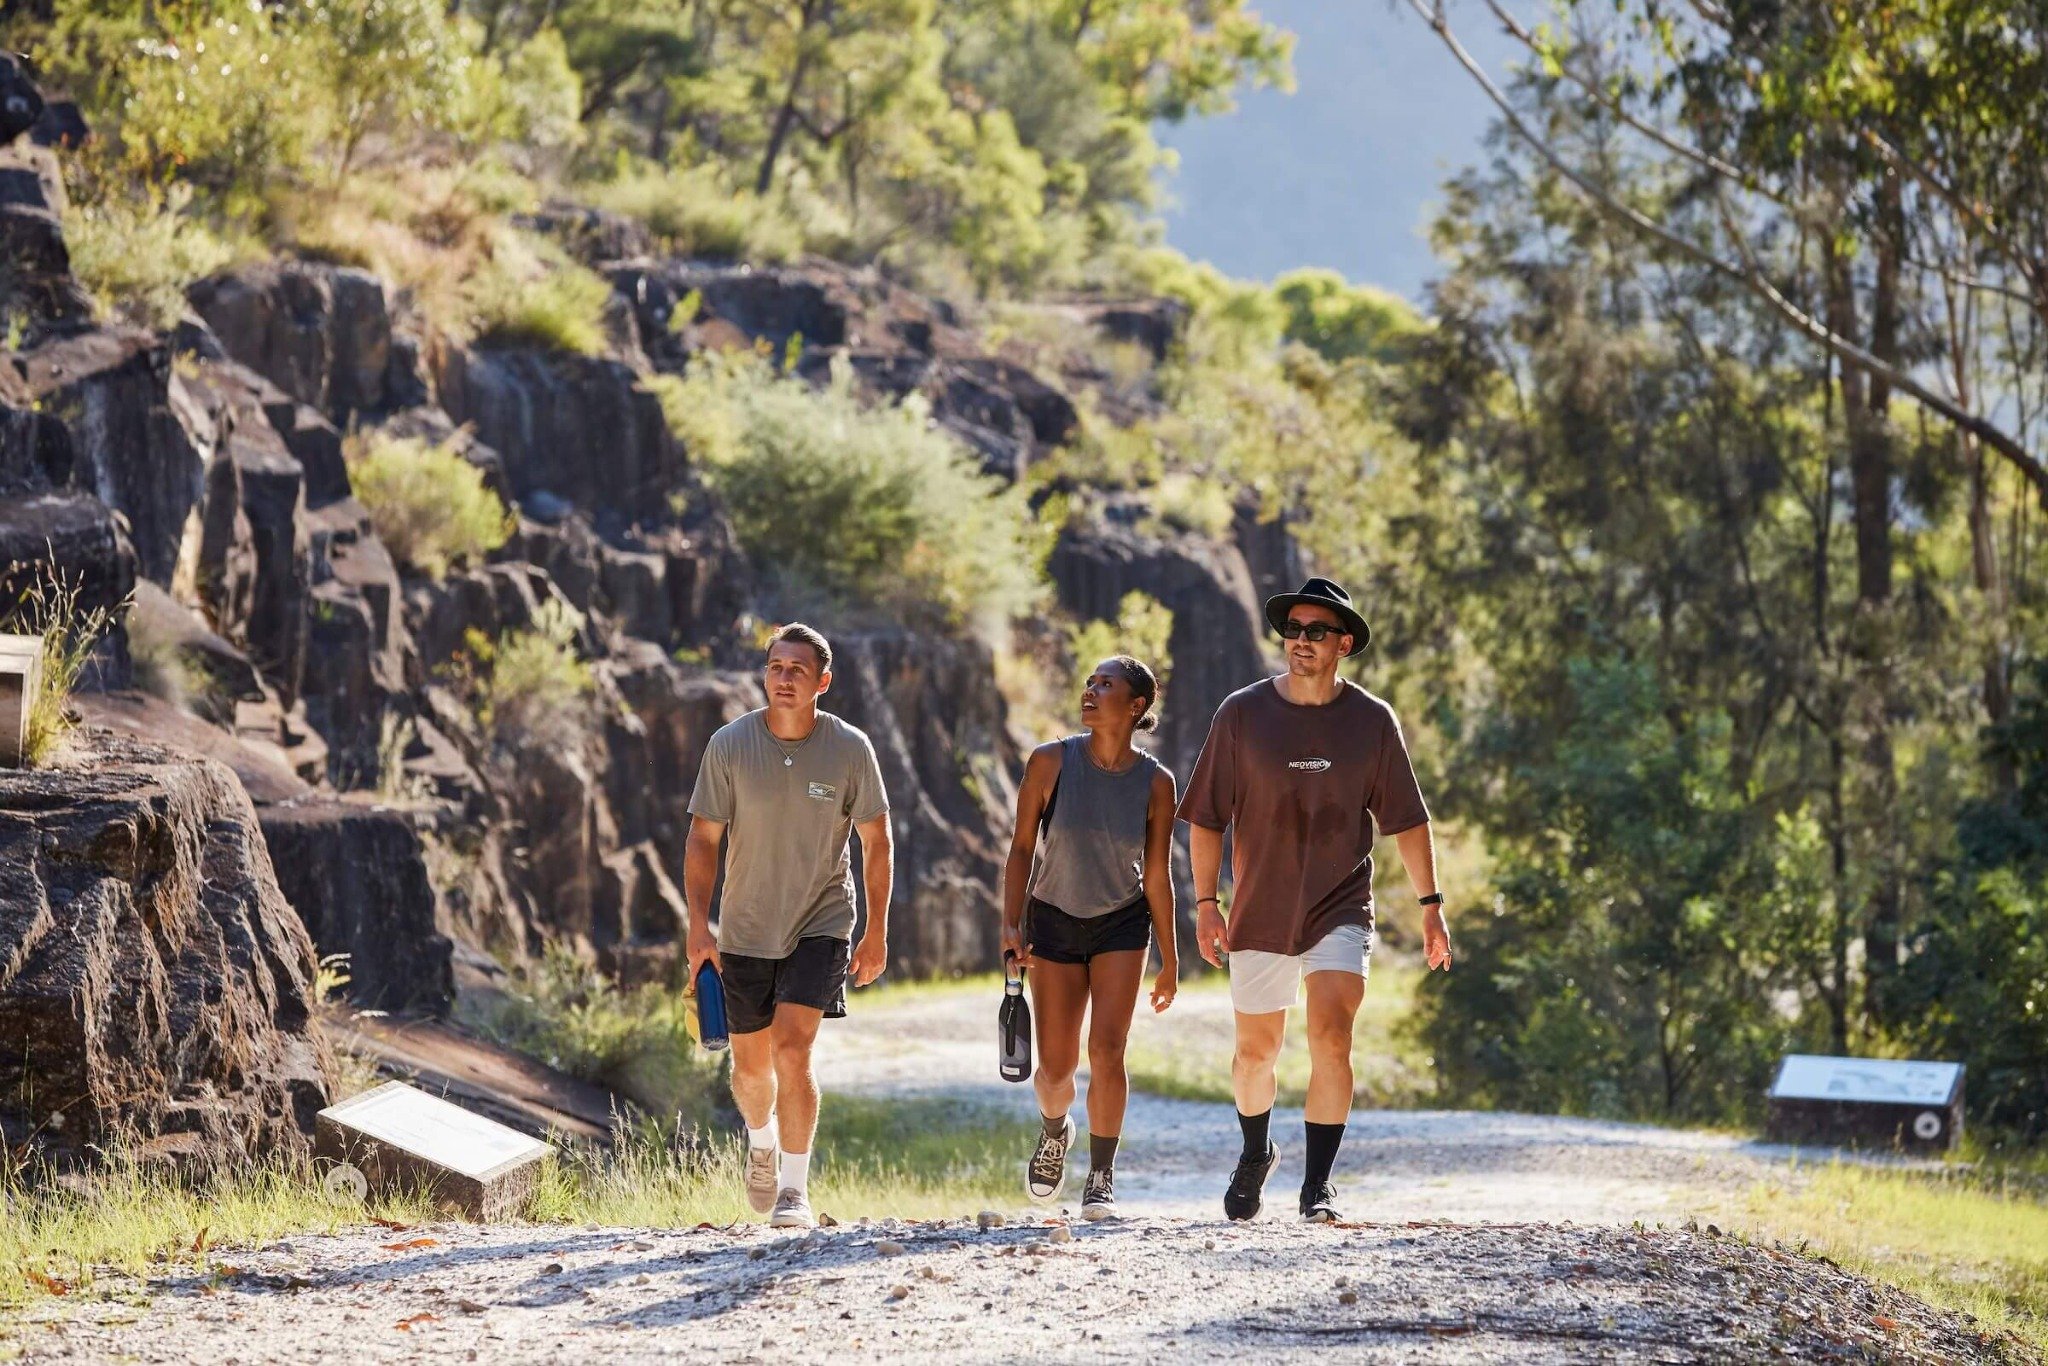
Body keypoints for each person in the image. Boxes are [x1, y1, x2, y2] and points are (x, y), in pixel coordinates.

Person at [1177, 577, 1452, 1224]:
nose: (1299, 641)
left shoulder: (1371, 721)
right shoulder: (1241, 714)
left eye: (1315, 632)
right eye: (1292, 629)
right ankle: (1255, 1154)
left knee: (1332, 1036)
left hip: (1340, 902)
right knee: (1256, 1053)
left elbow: (1408, 821)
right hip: (1260, 905)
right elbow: (1208, 817)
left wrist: (1431, 904)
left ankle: (1318, 1188)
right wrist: (1207, 904)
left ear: (1344, 644)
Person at [684, 623, 892, 1231]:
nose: (784, 677)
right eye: (776, 666)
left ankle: (794, 1191)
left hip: (822, 920)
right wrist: (700, 928)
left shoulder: (850, 749)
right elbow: (702, 836)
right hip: (745, 927)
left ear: (822, 682)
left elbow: (877, 842)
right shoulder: (729, 744)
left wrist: (876, 929)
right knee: (751, 1070)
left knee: (792, 1051)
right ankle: (761, 1140)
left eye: (798, 669)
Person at [1000, 656, 1178, 1221]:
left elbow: (1157, 874)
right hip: (1053, 917)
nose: (1092, 691)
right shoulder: (1051, 761)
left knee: (1107, 1049)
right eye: (1090, 682)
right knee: (1054, 1070)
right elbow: (1023, 847)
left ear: (1135, 706)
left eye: (1107, 685)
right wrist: (1011, 923)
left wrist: (1170, 959)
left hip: (1122, 922)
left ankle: (1101, 1177)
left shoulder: (1157, 783)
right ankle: (1056, 1129)